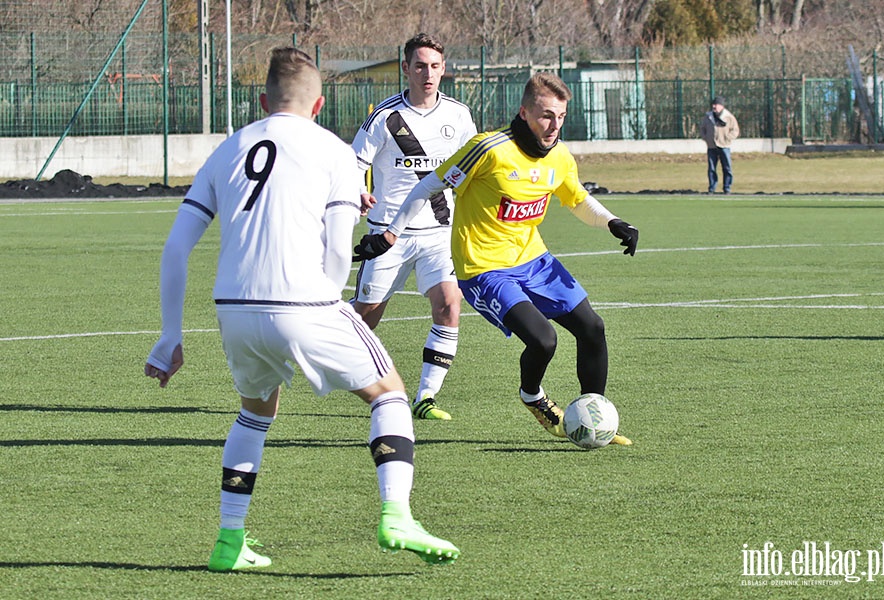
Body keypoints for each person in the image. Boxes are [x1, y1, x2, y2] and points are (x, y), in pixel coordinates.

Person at [143, 47, 459, 572]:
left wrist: (170, 335)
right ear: (318, 106)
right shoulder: (331, 149)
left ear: (263, 100)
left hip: (234, 308)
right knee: (390, 396)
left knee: (254, 412)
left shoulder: (228, 148)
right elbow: (338, 251)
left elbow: (176, 247)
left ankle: (229, 541)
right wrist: (327, 299)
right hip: (302, 300)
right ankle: (397, 514)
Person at [354, 72, 637, 445]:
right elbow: (429, 185)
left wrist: (612, 221)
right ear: (524, 112)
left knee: (592, 329)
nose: (554, 125)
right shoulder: (488, 149)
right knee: (544, 341)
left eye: (561, 116)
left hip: (535, 260)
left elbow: (577, 198)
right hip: (484, 269)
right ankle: (532, 397)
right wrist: (390, 233)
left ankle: (594, 416)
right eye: (546, 115)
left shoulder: (559, 156)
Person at [351, 33, 477, 421]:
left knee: (449, 304)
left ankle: (425, 396)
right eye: (419, 66)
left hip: (440, 232)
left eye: (435, 66)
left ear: (443, 70)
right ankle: (320, 345)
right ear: (405, 68)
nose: (427, 73)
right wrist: (358, 191)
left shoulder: (458, 115)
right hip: (388, 235)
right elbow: (354, 164)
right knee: (363, 321)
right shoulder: (386, 117)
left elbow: (475, 165)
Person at [699, 96, 740, 194]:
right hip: (712, 146)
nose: (714, 106)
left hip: (724, 146)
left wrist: (727, 138)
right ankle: (712, 188)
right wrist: (706, 138)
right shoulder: (708, 117)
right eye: (713, 105)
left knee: (727, 168)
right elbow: (702, 128)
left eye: (716, 105)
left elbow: (735, 130)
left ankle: (727, 188)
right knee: (712, 168)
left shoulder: (729, 117)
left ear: (721, 106)